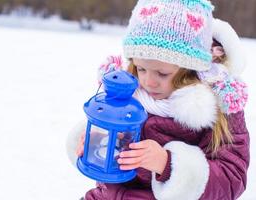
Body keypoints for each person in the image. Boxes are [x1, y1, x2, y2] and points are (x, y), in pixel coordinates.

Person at [66, 0, 250, 199]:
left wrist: (167, 164)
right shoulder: (128, 93)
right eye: (141, 68)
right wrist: (97, 141)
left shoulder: (216, 107)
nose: (148, 82)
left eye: (162, 73)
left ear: (191, 70)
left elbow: (232, 177)